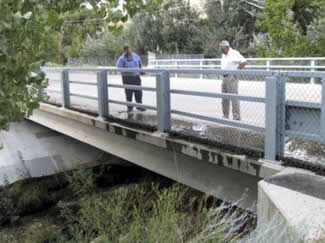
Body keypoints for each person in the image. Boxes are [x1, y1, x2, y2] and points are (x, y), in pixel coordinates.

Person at [219, 40, 247, 120]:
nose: (221, 50)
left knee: (234, 97)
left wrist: (237, 70)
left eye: (222, 48)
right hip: (224, 77)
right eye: (220, 48)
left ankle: (236, 117)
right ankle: (225, 116)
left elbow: (244, 61)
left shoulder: (234, 53)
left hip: (232, 77)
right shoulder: (224, 55)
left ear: (227, 47)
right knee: (224, 98)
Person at [116, 45, 145, 112]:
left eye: (129, 49)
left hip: (136, 77)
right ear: (124, 51)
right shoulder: (122, 58)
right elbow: (118, 68)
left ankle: (139, 106)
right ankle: (130, 108)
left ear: (131, 49)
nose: (128, 51)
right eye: (126, 50)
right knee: (129, 93)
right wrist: (126, 70)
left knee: (138, 92)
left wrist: (141, 71)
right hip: (127, 78)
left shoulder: (135, 55)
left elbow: (139, 62)